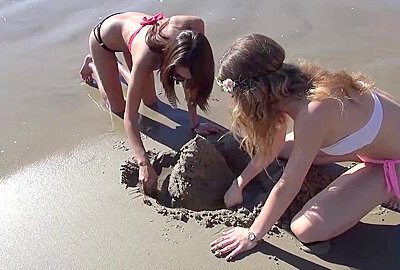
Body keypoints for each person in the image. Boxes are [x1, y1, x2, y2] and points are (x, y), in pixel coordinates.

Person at [210, 34, 400, 261]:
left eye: (235, 96)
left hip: (391, 164)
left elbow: (289, 183)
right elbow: (275, 144)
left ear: (253, 94)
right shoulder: (295, 83)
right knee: (288, 150)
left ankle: (389, 190)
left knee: (305, 229)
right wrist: (239, 183)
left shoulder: (314, 112)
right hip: (380, 143)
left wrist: (252, 234)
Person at [79, 12, 224, 194]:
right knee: (117, 107)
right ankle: (94, 65)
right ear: (170, 61)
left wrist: (194, 123)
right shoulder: (147, 58)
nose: (180, 81)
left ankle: (126, 76)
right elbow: (129, 119)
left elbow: (191, 84)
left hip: (134, 36)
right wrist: (143, 163)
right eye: (178, 76)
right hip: (104, 41)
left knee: (150, 101)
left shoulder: (194, 28)